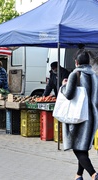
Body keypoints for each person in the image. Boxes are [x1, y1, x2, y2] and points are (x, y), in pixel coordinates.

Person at [60, 49, 98, 180]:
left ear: (76, 62)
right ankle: (78, 175)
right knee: (83, 146)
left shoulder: (75, 74)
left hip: (78, 116)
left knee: (77, 148)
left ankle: (94, 174)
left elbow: (69, 94)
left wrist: (63, 86)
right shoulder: (94, 75)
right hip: (92, 116)